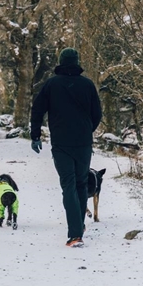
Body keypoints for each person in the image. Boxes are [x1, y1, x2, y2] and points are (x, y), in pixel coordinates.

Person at [29, 47, 102, 247]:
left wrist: (35, 135)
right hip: (83, 143)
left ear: (61, 62)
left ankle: (76, 233)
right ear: (77, 62)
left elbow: (37, 109)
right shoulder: (87, 85)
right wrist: (87, 130)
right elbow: (97, 114)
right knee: (80, 183)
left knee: (68, 185)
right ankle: (78, 227)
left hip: (61, 143)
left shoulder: (51, 85)